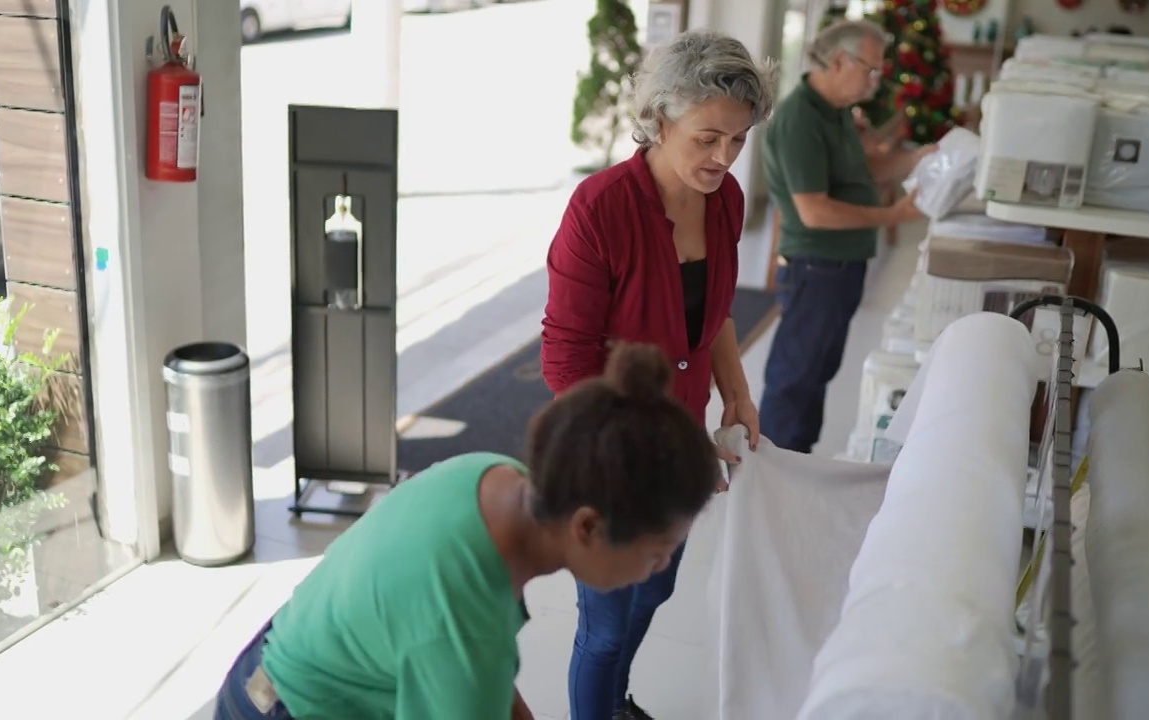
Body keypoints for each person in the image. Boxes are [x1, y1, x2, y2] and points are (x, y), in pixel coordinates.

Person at [213, 344, 722, 720]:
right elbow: (468, 653)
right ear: (587, 526)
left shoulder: (496, 479)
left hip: (288, 659)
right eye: (658, 551)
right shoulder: (462, 615)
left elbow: (484, 676)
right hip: (281, 706)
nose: (661, 566)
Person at [540, 30, 776, 720]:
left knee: (657, 590)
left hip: (683, 442)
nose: (724, 157)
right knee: (606, 624)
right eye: (707, 138)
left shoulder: (725, 201)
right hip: (608, 453)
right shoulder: (601, 208)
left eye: (737, 140)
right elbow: (565, 362)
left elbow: (713, 311)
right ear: (662, 117)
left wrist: (735, 393)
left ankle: (614, 701)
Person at [758, 20, 935, 455]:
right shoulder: (800, 118)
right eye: (869, 69)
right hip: (816, 266)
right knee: (795, 378)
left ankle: (796, 462)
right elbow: (813, 210)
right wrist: (891, 214)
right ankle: (773, 470)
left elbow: (861, 172)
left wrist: (916, 159)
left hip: (839, 266)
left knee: (817, 372)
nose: (875, 81)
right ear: (838, 61)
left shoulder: (833, 110)